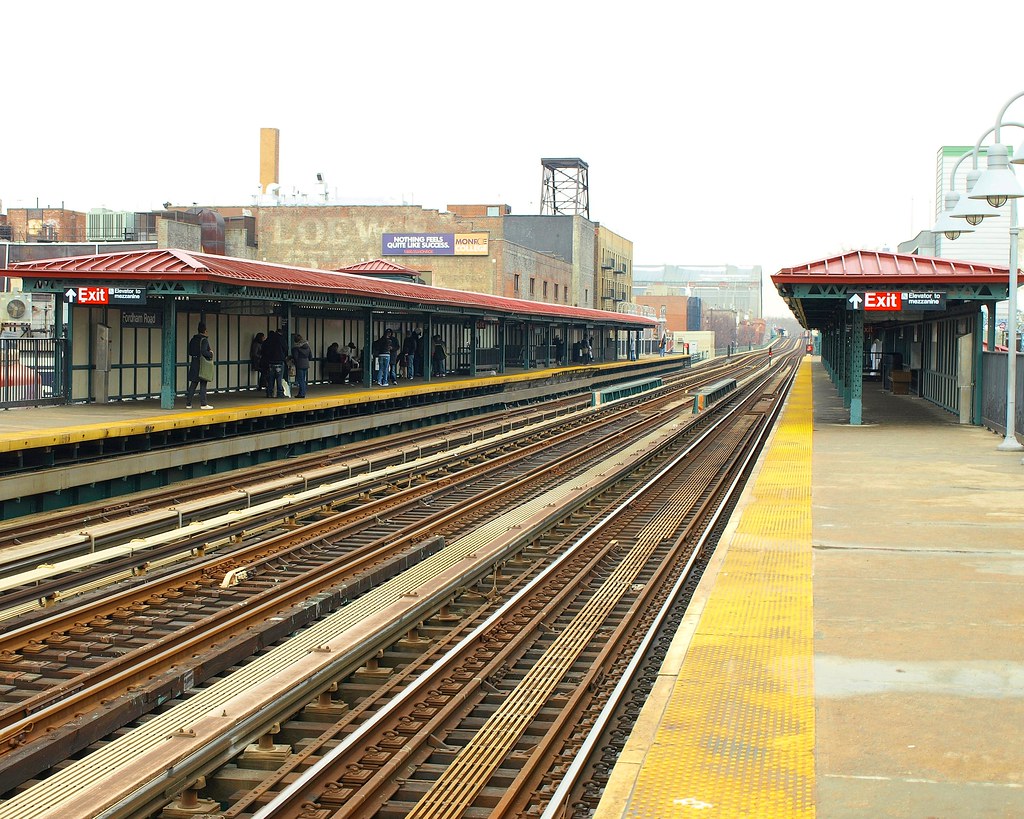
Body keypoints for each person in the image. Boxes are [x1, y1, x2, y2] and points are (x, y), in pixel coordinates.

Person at [185, 321, 214, 410]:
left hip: (194, 362)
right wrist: (211, 354)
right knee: (203, 384)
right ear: (205, 331)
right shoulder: (204, 340)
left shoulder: (193, 339)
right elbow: (204, 352)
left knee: (193, 384)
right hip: (202, 364)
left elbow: (189, 351)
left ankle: (188, 404)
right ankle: (203, 404)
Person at [261, 328, 287, 398]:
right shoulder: (281, 339)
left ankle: (269, 393)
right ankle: (280, 393)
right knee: (279, 379)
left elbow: (263, 351)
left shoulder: (267, 340)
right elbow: (285, 348)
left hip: (270, 362)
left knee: (271, 379)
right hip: (279, 361)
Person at [291, 333, 312, 398]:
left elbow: (295, 357)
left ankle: (302, 393)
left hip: (299, 364)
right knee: (303, 379)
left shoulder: (296, 348)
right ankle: (301, 393)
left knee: (300, 380)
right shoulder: (307, 347)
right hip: (306, 364)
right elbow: (310, 356)